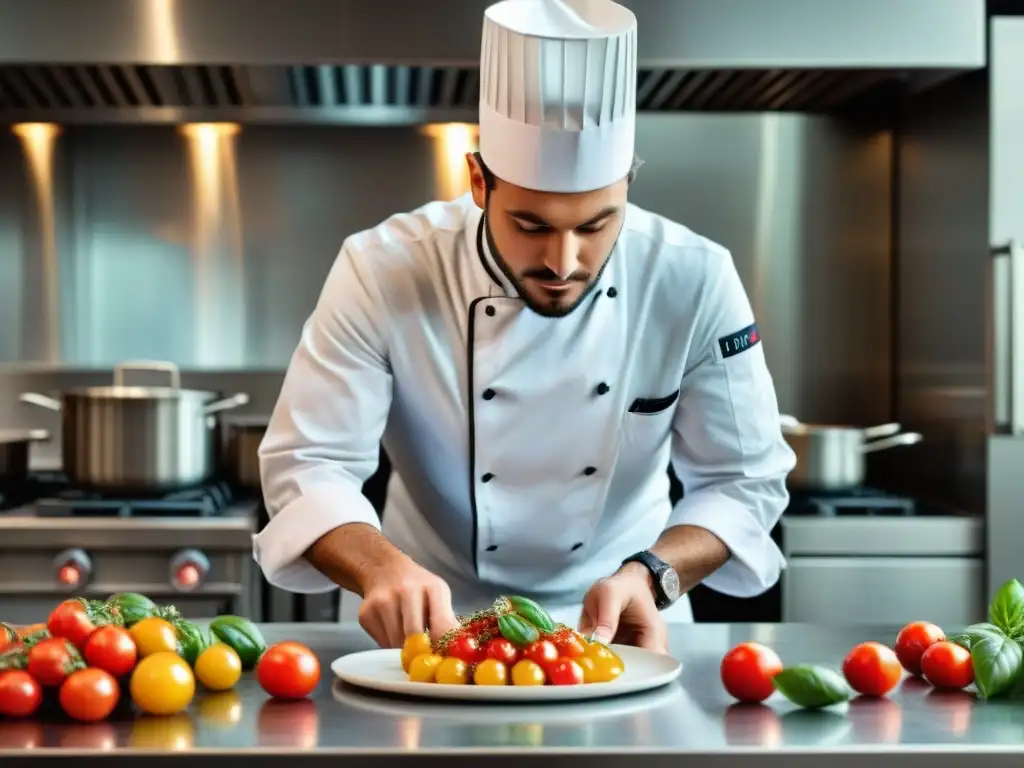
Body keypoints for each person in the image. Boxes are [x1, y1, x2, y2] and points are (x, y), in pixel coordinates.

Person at [253, 0, 796, 654]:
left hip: (626, 624)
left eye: (596, 226)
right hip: (425, 622)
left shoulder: (693, 277)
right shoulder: (382, 269)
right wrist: (380, 568)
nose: (564, 263)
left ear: (628, 183)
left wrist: (654, 573)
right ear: (479, 182)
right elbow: (311, 463)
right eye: (531, 225)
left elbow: (744, 481)